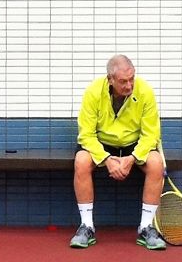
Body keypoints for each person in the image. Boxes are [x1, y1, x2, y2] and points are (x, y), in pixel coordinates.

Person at [69, 55, 166, 251]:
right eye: (123, 81)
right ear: (110, 79)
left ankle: (146, 227)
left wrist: (132, 158)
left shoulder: (145, 91)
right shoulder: (93, 92)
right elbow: (86, 135)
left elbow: (151, 135)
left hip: (133, 144)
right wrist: (106, 159)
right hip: (102, 143)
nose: (129, 85)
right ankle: (87, 226)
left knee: (156, 163)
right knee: (81, 160)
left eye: (132, 79)